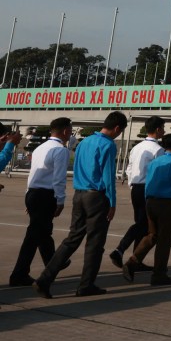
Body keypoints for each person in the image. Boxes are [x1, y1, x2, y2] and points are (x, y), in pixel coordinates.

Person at [34, 110, 127, 298]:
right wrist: (113, 202)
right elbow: (108, 176)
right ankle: (86, 285)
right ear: (117, 128)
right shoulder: (108, 145)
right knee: (95, 242)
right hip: (97, 197)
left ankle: (45, 278)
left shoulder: (84, 142)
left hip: (79, 194)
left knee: (72, 239)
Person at [123, 132, 171, 286]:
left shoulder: (155, 162)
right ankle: (159, 274)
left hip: (151, 202)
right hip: (167, 205)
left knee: (152, 235)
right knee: (165, 241)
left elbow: (149, 181)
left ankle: (132, 262)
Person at [9, 118, 70, 287]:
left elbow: (33, 174)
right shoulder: (60, 150)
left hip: (34, 193)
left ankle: (54, 262)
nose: (71, 133)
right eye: (70, 130)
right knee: (34, 235)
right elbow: (59, 178)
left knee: (42, 231)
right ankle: (19, 274)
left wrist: (29, 196)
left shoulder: (40, 148)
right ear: (65, 131)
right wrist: (60, 199)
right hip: (46, 195)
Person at [110, 115, 166, 271]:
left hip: (136, 187)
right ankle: (119, 250)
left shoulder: (136, 147)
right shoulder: (158, 149)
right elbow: (159, 174)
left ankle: (136, 259)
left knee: (143, 226)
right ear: (157, 129)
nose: (164, 131)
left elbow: (129, 167)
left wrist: (131, 184)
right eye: (163, 128)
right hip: (148, 190)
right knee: (143, 224)